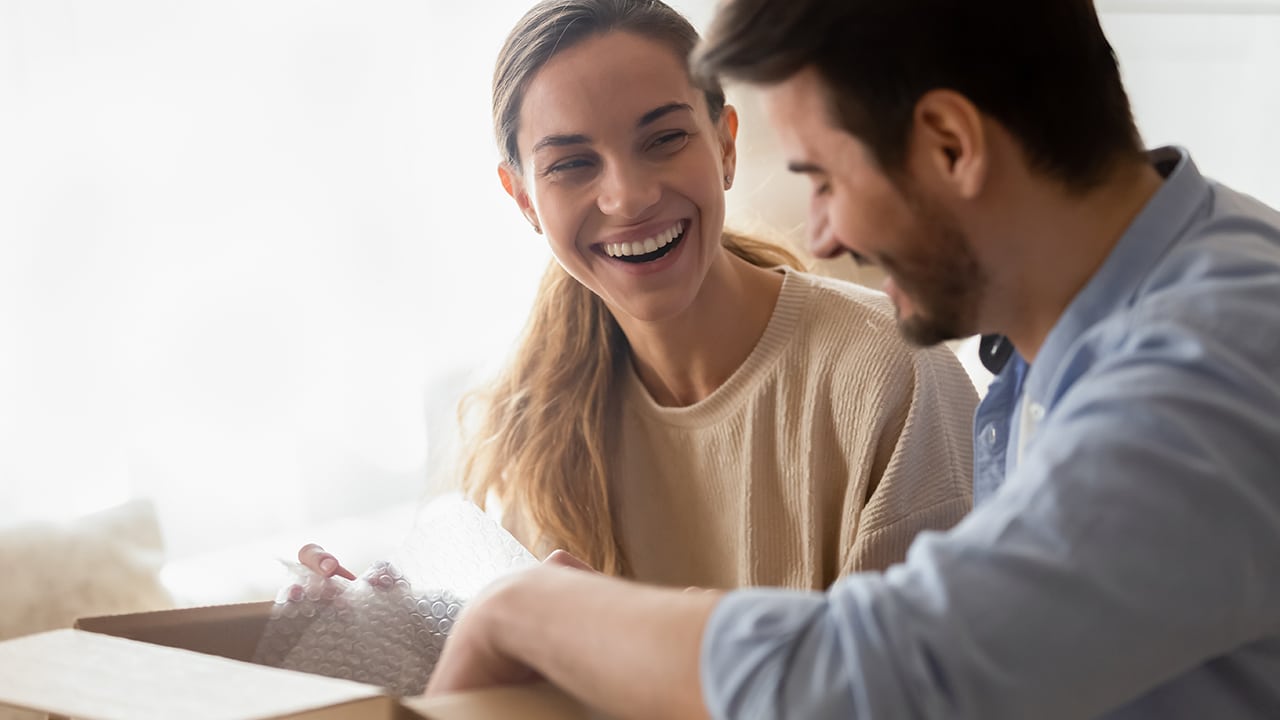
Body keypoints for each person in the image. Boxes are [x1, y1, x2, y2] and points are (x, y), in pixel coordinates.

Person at [417, 0, 1280, 718]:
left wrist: (531, 608)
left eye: (823, 179)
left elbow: (895, 675)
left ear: (950, 143)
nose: (819, 234)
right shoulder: (1074, 348)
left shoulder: (1205, 366)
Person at [300, 0, 976, 593]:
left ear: (726, 144)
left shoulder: (894, 375)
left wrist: (627, 640)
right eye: (571, 163)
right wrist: (385, 633)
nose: (628, 196)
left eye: (665, 139)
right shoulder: (530, 435)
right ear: (524, 199)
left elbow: (912, 692)